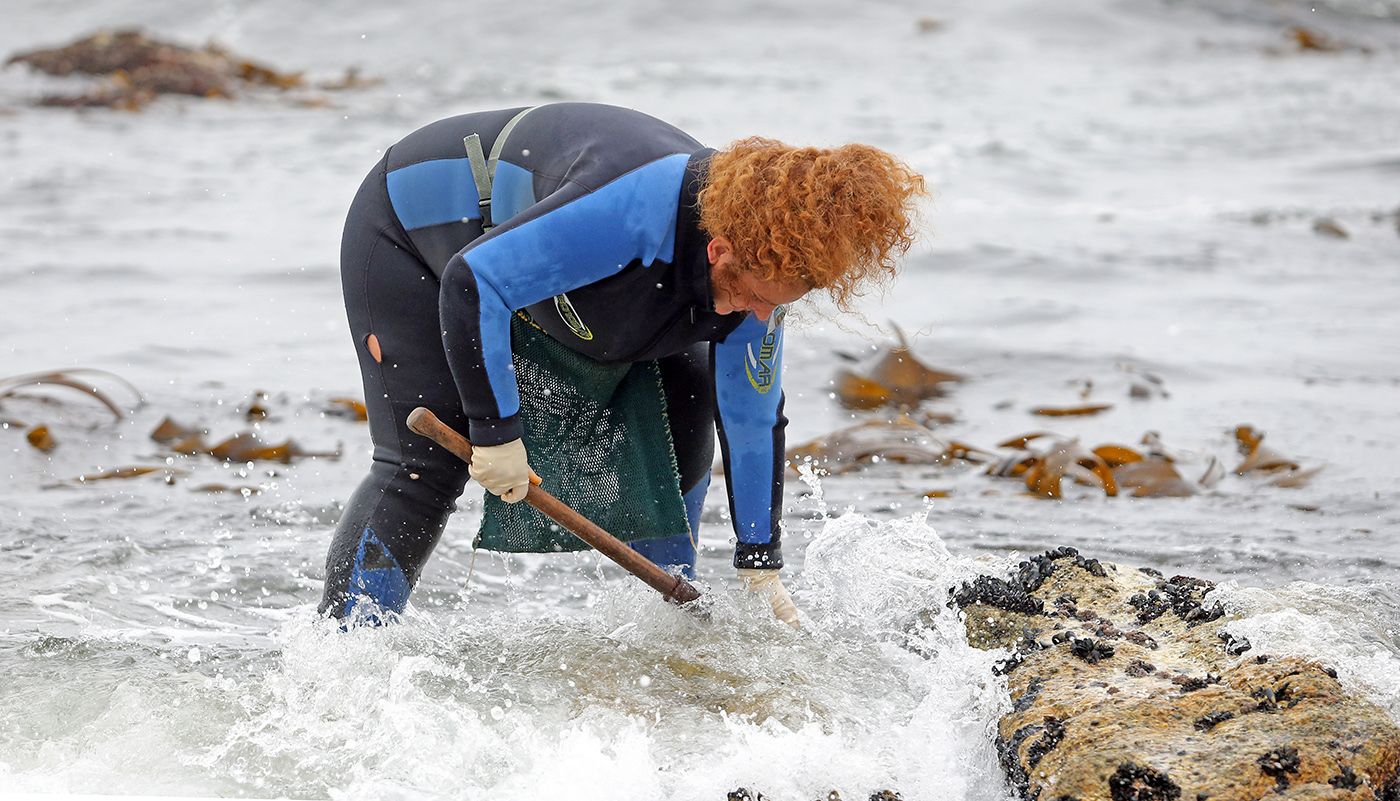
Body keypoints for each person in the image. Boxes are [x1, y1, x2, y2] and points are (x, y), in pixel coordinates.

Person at [319, 102, 924, 626]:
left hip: (538, 275)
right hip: (417, 238)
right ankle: (343, 661)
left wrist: (760, 562)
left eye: (779, 305)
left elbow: (752, 416)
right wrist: (495, 434)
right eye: (755, 298)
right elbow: (475, 284)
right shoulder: (630, 207)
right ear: (719, 251)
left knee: (685, 406)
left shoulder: (765, 272)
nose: (761, 319)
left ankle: (667, 640)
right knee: (422, 468)